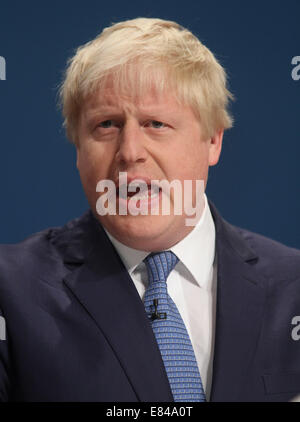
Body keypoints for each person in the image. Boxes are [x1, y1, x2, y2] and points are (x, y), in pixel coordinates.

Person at [0, 17, 300, 403]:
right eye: (106, 125)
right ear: (78, 149)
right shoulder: (10, 293)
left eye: (156, 124)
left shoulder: (293, 289)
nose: (129, 152)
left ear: (212, 141)